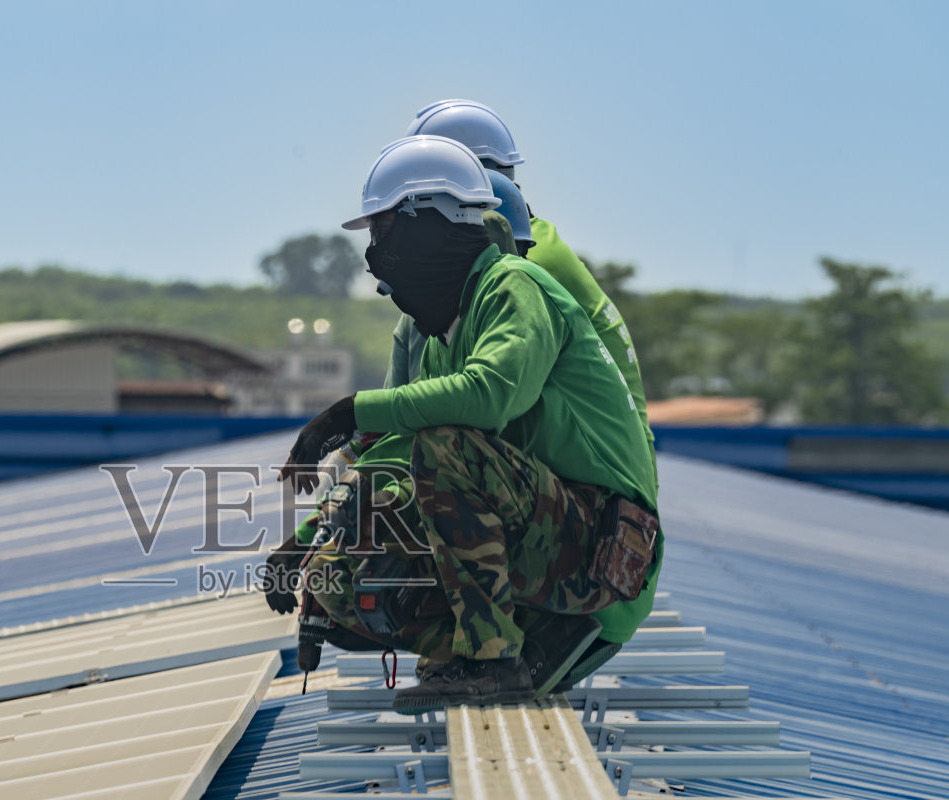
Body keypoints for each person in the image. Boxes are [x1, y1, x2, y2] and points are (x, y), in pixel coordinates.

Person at [264, 135, 662, 711]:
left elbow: (489, 395)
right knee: (344, 573)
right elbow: (393, 453)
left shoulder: (516, 287)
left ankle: (491, 660)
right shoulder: (445, 336)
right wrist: (307, 546)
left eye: (382, 232)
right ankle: (474, 650)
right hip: (558, 548)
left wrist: (349, 412)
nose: (374, 257)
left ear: (428, 224)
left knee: (445, 448)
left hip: (606, 552)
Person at [397, 100, 655, 467]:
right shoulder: (533, 237)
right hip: (594, 457)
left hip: (595, 472)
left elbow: (478, 395)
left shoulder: (520, 260)